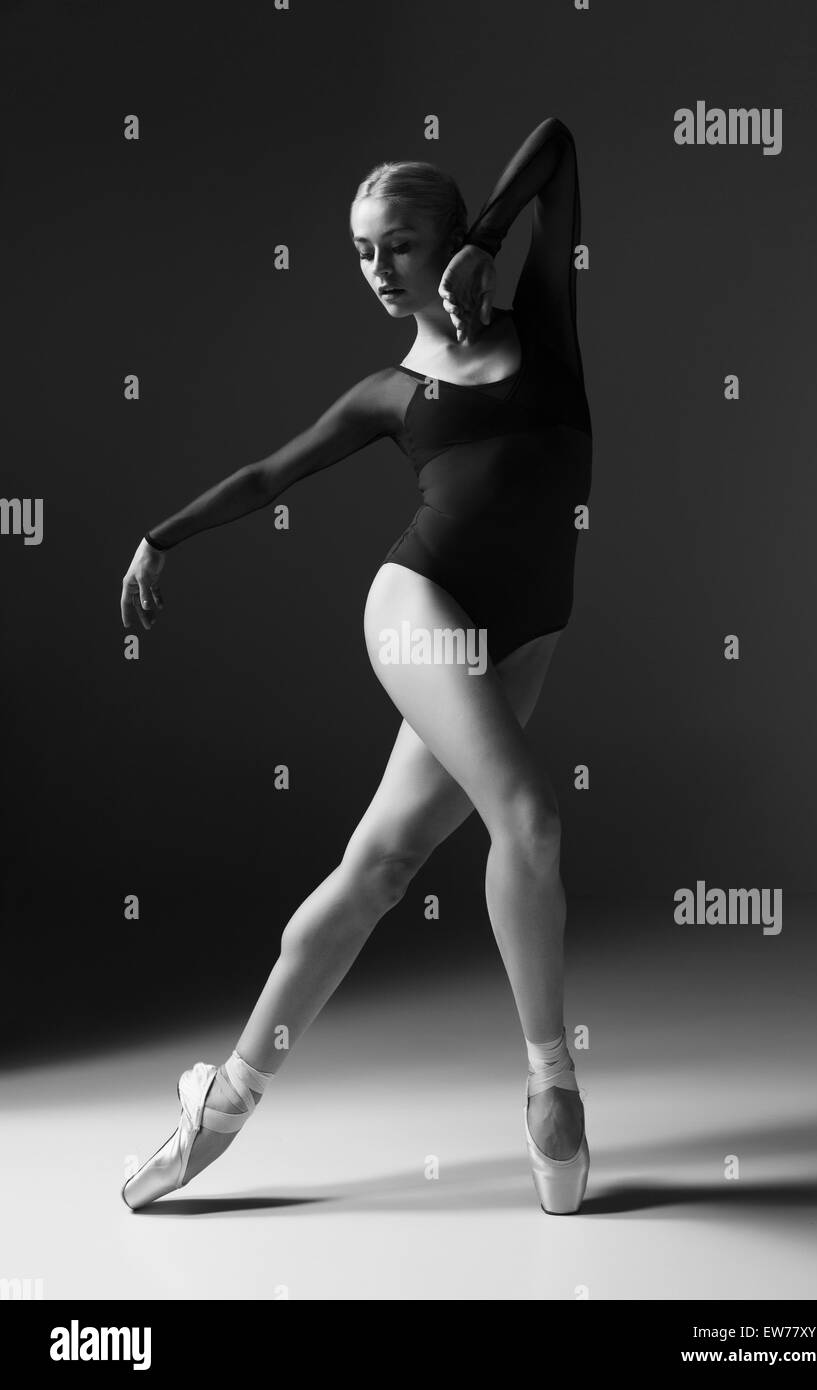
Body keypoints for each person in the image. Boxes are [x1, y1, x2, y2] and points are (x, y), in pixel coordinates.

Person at [119, 115, 593, 1216]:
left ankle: (221, 1103)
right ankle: (552, 1089)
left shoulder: (549, 325)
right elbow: (266, 474)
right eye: (361, 251)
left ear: (446, 240)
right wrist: (158, 537)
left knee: (375, 868)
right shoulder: (394, 391)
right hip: (416, 607)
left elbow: (558, 146)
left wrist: (485, 235)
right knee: (529, 820)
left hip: (521, 634)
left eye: (399, 245)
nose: (377, 270)